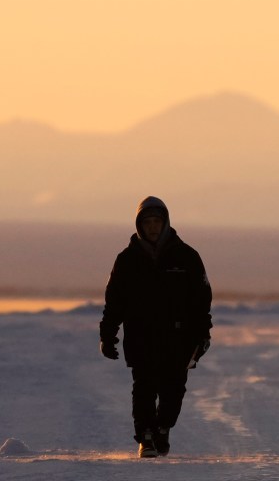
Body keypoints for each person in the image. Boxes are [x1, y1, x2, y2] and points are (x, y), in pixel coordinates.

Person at [98, 195, 212, 458]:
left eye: (156, 221)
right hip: (141, 336)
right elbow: (114, 301)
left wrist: (202, 334)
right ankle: (146, 437)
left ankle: (163, 427)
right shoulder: (126, 260)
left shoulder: (187, 257)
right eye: (147, 222)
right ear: (139, 225)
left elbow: (201, 300)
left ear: (165, 223)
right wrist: (107, 335)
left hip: (178, 337)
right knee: (144, 388)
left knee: (173, 390)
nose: (152, 227)